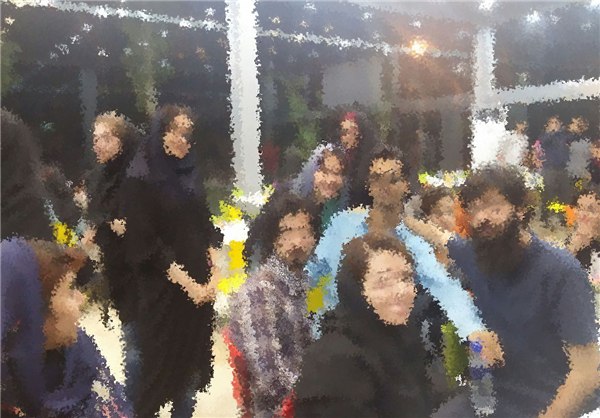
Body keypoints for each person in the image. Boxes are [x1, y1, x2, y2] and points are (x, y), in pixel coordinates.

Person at [445, 166, 600, 417]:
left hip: (551, 398)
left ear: (519, 209)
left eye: (494, 207)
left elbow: (586, 371)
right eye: (474, 208)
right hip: (495, 394)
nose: (482, 218)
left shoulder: (561, 271)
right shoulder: (478, 254)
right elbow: (436, 239)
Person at [112, 104, 223, 417]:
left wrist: (214, 276)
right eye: (174, 131)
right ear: (159, 132)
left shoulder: (190, 173)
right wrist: (190, 285)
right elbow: (146, 246)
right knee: (157, 378)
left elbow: (206, 226)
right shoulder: (140, 179)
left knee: (189, 377)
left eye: (188, 133)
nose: (181, 139)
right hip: (164, 294)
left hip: (199, 295)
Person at [295, 233, 448, 417]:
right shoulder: (334, 360)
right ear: (356, 290)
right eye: (383, 282)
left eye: (405, 278)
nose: (401, 290)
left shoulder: (405, 339)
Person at [1, 238, 131, 417]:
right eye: (69, 291)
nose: (80, 298)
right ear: (34, 317)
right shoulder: (11, 396)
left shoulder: (78, 350)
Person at [227, 193, 319, 418]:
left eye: (304, 231)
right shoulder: (260, 292)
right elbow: (271, 380)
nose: (297, 242)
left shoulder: (304, 283)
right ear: (274, 239)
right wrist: (322, 395)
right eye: (287, 232)